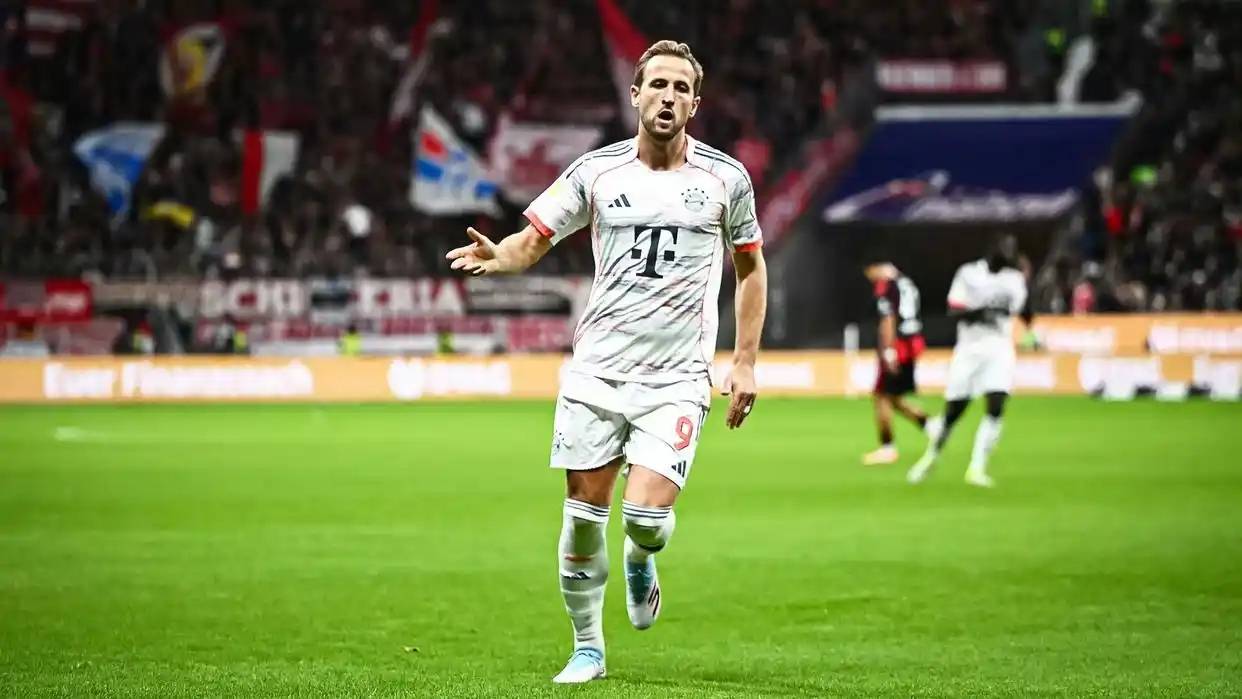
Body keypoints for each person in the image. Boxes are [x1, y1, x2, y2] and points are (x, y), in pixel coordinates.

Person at [445, 40, 767, 684]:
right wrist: (502, 256)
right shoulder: (596, 173)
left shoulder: (725, 180)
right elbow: (533, 240)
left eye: (681, 88)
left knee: (645, 521)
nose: (668, 97)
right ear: (636, 94)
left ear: (695, 104)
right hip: (596, 375)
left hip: (677, 379)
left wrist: (746, 363)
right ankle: (588, 648)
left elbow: (751, 268)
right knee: (583, 518)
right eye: (658, 85)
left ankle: (642, 559)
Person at [907, 234, 1029, 488]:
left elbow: (1023, 310)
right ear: (993, 251)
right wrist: (980, 313)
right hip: (969, 350)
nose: (1010, 255)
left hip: (999, 349)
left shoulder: (1014, 279)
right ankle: (930, 457)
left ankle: (977, 468)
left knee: (996, 405)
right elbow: (953, 309)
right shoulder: (968, 274)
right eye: (1006, 249)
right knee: (954, 411)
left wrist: (1031, 331)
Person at [860, 260, 931, 466]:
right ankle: (932, 426)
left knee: (881, 396)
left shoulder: (886, 286)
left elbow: (888, 319)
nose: (870, 277)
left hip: (898, 345)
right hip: (912, 342)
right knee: (893, 397)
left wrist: (889, 351)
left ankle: (887, 448)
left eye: (870, 272)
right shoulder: (906, 282)